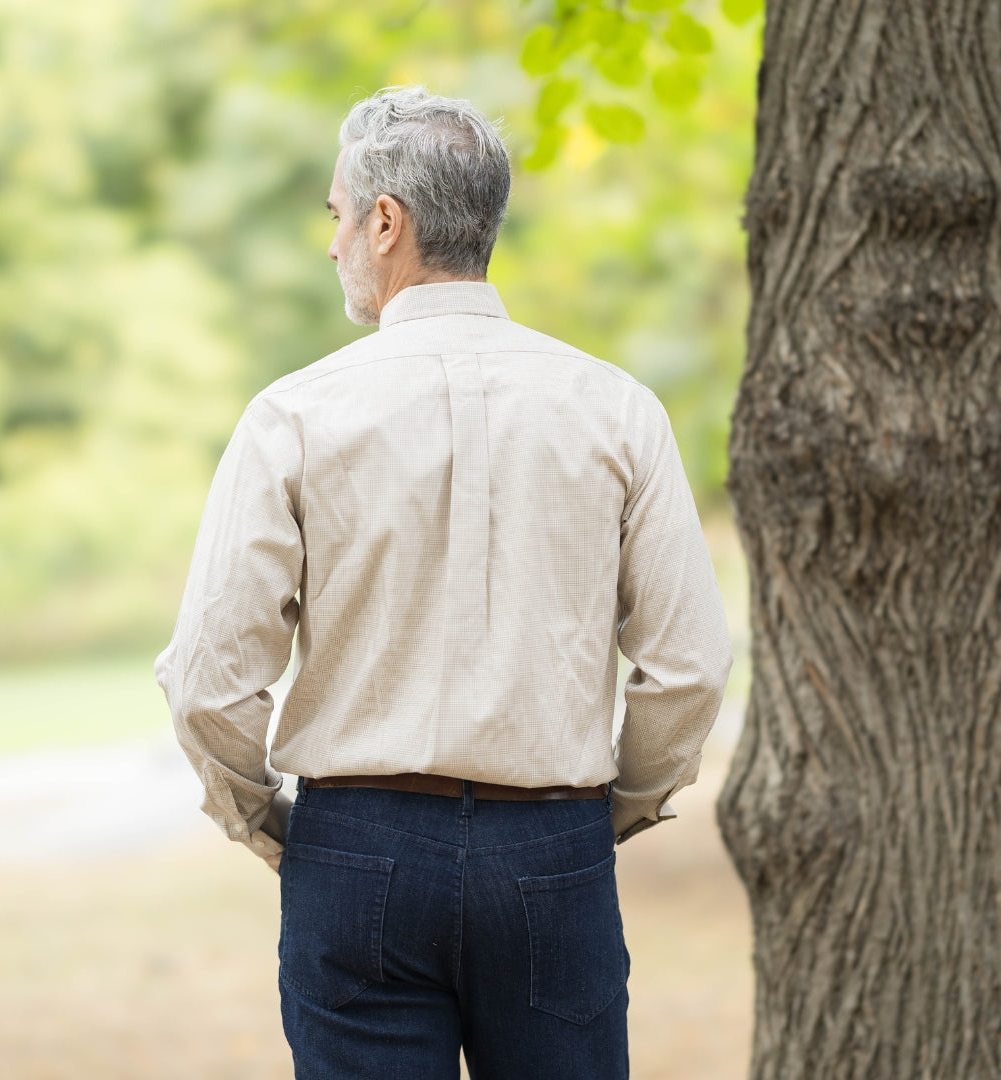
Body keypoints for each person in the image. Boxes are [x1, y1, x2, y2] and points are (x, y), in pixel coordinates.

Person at [156, 85, 732, 1080]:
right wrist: (617, 811)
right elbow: (688, 667)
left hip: (355, 849)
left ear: (388, 222)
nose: (331, 241)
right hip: (553, 846)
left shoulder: (294, 417)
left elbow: (210, 679)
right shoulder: (617, 410)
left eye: (338, 215)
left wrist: (267, 824)